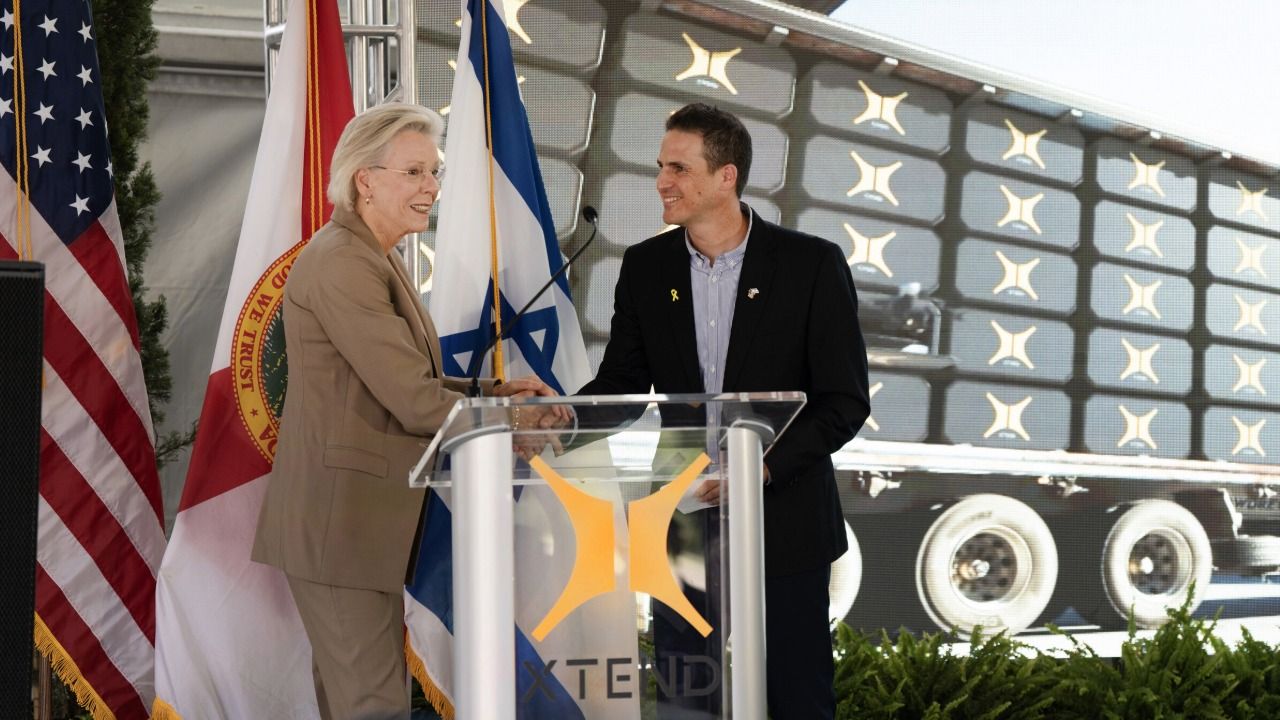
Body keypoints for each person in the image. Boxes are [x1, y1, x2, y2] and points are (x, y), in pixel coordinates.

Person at [251, 102, 557, 719]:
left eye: (434, 172)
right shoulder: (343, 261)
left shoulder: (372, 253)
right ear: (367, 179)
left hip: (356, 526)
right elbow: (414, 400)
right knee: (375, 707)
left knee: (358, 703)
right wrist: (513, 425)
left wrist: (495, 397)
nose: (432, 188)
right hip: (341, 527)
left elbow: (403, 380)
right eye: (415, 172)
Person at [577, 103, 870, 718]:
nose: (662, 181)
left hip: (783, 512)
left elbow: (843, 401)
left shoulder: (810, 265)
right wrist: (558, 421)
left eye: (679, 168)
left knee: (796, 695)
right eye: (662, 166)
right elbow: (623, 384)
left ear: (726, 177)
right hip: (683, 520)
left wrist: (760, 471)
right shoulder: (645, 268)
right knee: (687, 698)